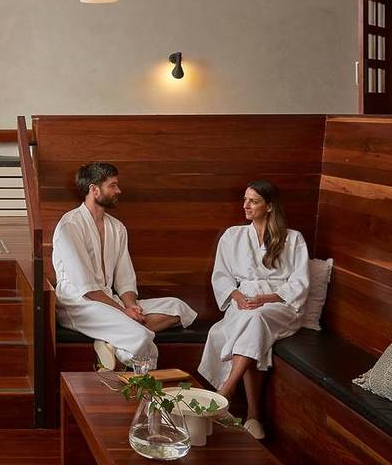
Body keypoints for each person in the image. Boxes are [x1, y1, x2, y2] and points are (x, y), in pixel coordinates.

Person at [53, 162, 197, 370]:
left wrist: (130, 304)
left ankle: (111, 343)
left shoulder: (117, 228)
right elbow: (86, 287)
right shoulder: (70, 225)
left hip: (108, 299)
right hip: (79, 303)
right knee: (139, 335)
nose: (118, 191)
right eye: (113, 185)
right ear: (94, 189)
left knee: (178, 308)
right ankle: (134, 370)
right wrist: (123, 311)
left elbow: (124, 277)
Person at [198, 180, 309, 440]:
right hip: (244, 303)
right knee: (253, 324)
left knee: (256, 318)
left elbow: (300, 282)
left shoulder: (293, 239)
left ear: (269, 206)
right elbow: (222, 276)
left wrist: (267, 298)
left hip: (280, 306)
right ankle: (253, 417)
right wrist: (237, 296)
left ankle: (226, 389)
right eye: (245, 200)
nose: (246, 206)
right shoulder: (232, 235)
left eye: (254, 201)